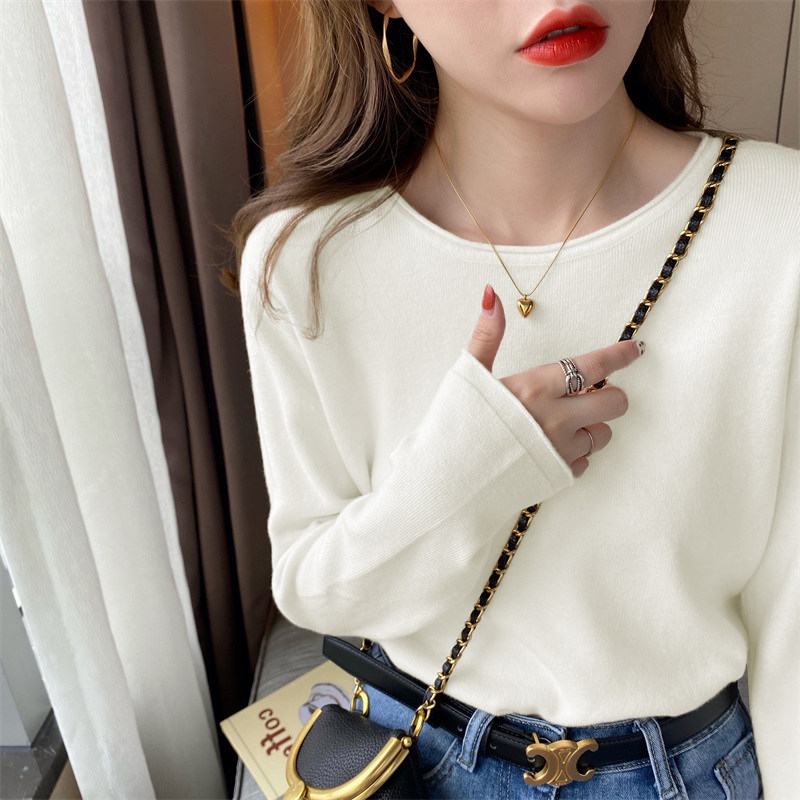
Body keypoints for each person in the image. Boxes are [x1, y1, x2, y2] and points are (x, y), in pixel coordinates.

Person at [223, 1, 800, 797]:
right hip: (407, 763)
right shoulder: (307, 259)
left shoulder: (778, 223)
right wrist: (467, 473)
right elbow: (314, 588)